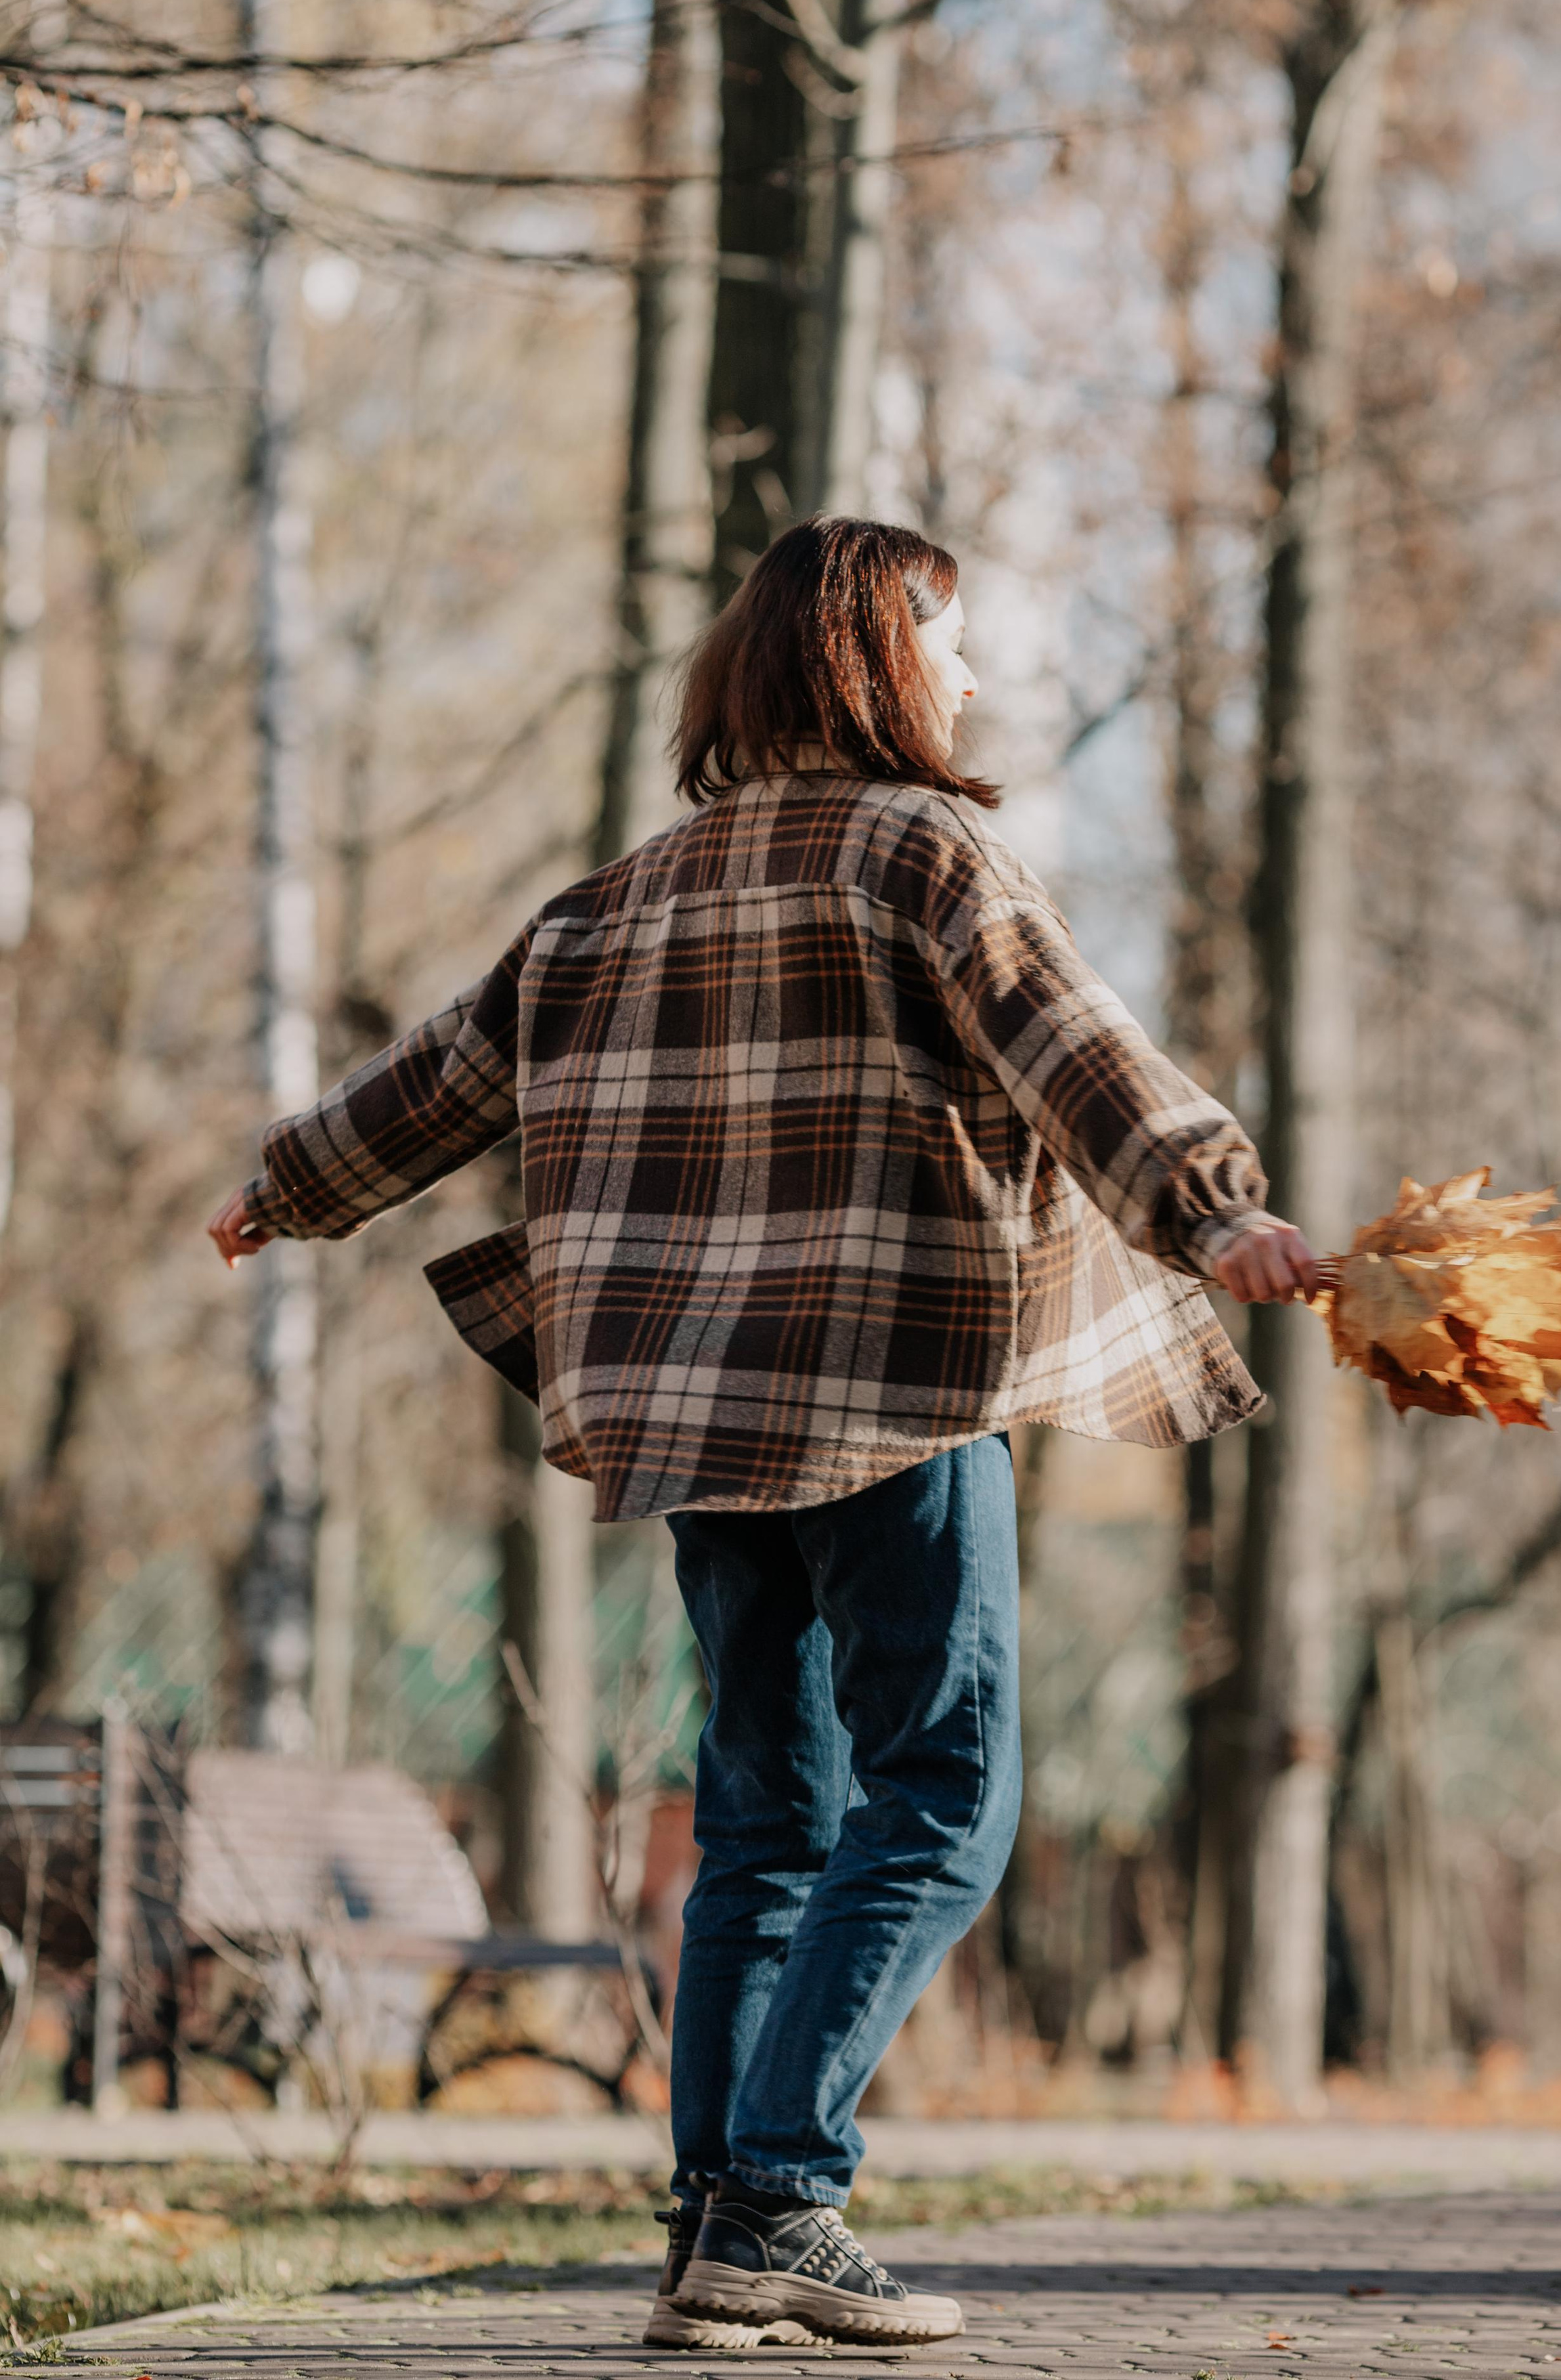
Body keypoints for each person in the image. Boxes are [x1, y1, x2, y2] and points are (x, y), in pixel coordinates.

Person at [209, 517, 1317, 2350]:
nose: (967, 679)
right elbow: (1081, 1054)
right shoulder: (930, 853)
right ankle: (782, 2197)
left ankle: (710, 2239)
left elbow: (442, 1079)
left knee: (765, 1830)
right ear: (878, 662)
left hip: (701, 1422)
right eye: (944, 644)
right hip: (894, 1388)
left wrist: (286, 1189)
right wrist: (1216, 1213)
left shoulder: (617, 897)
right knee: (946, 1801)